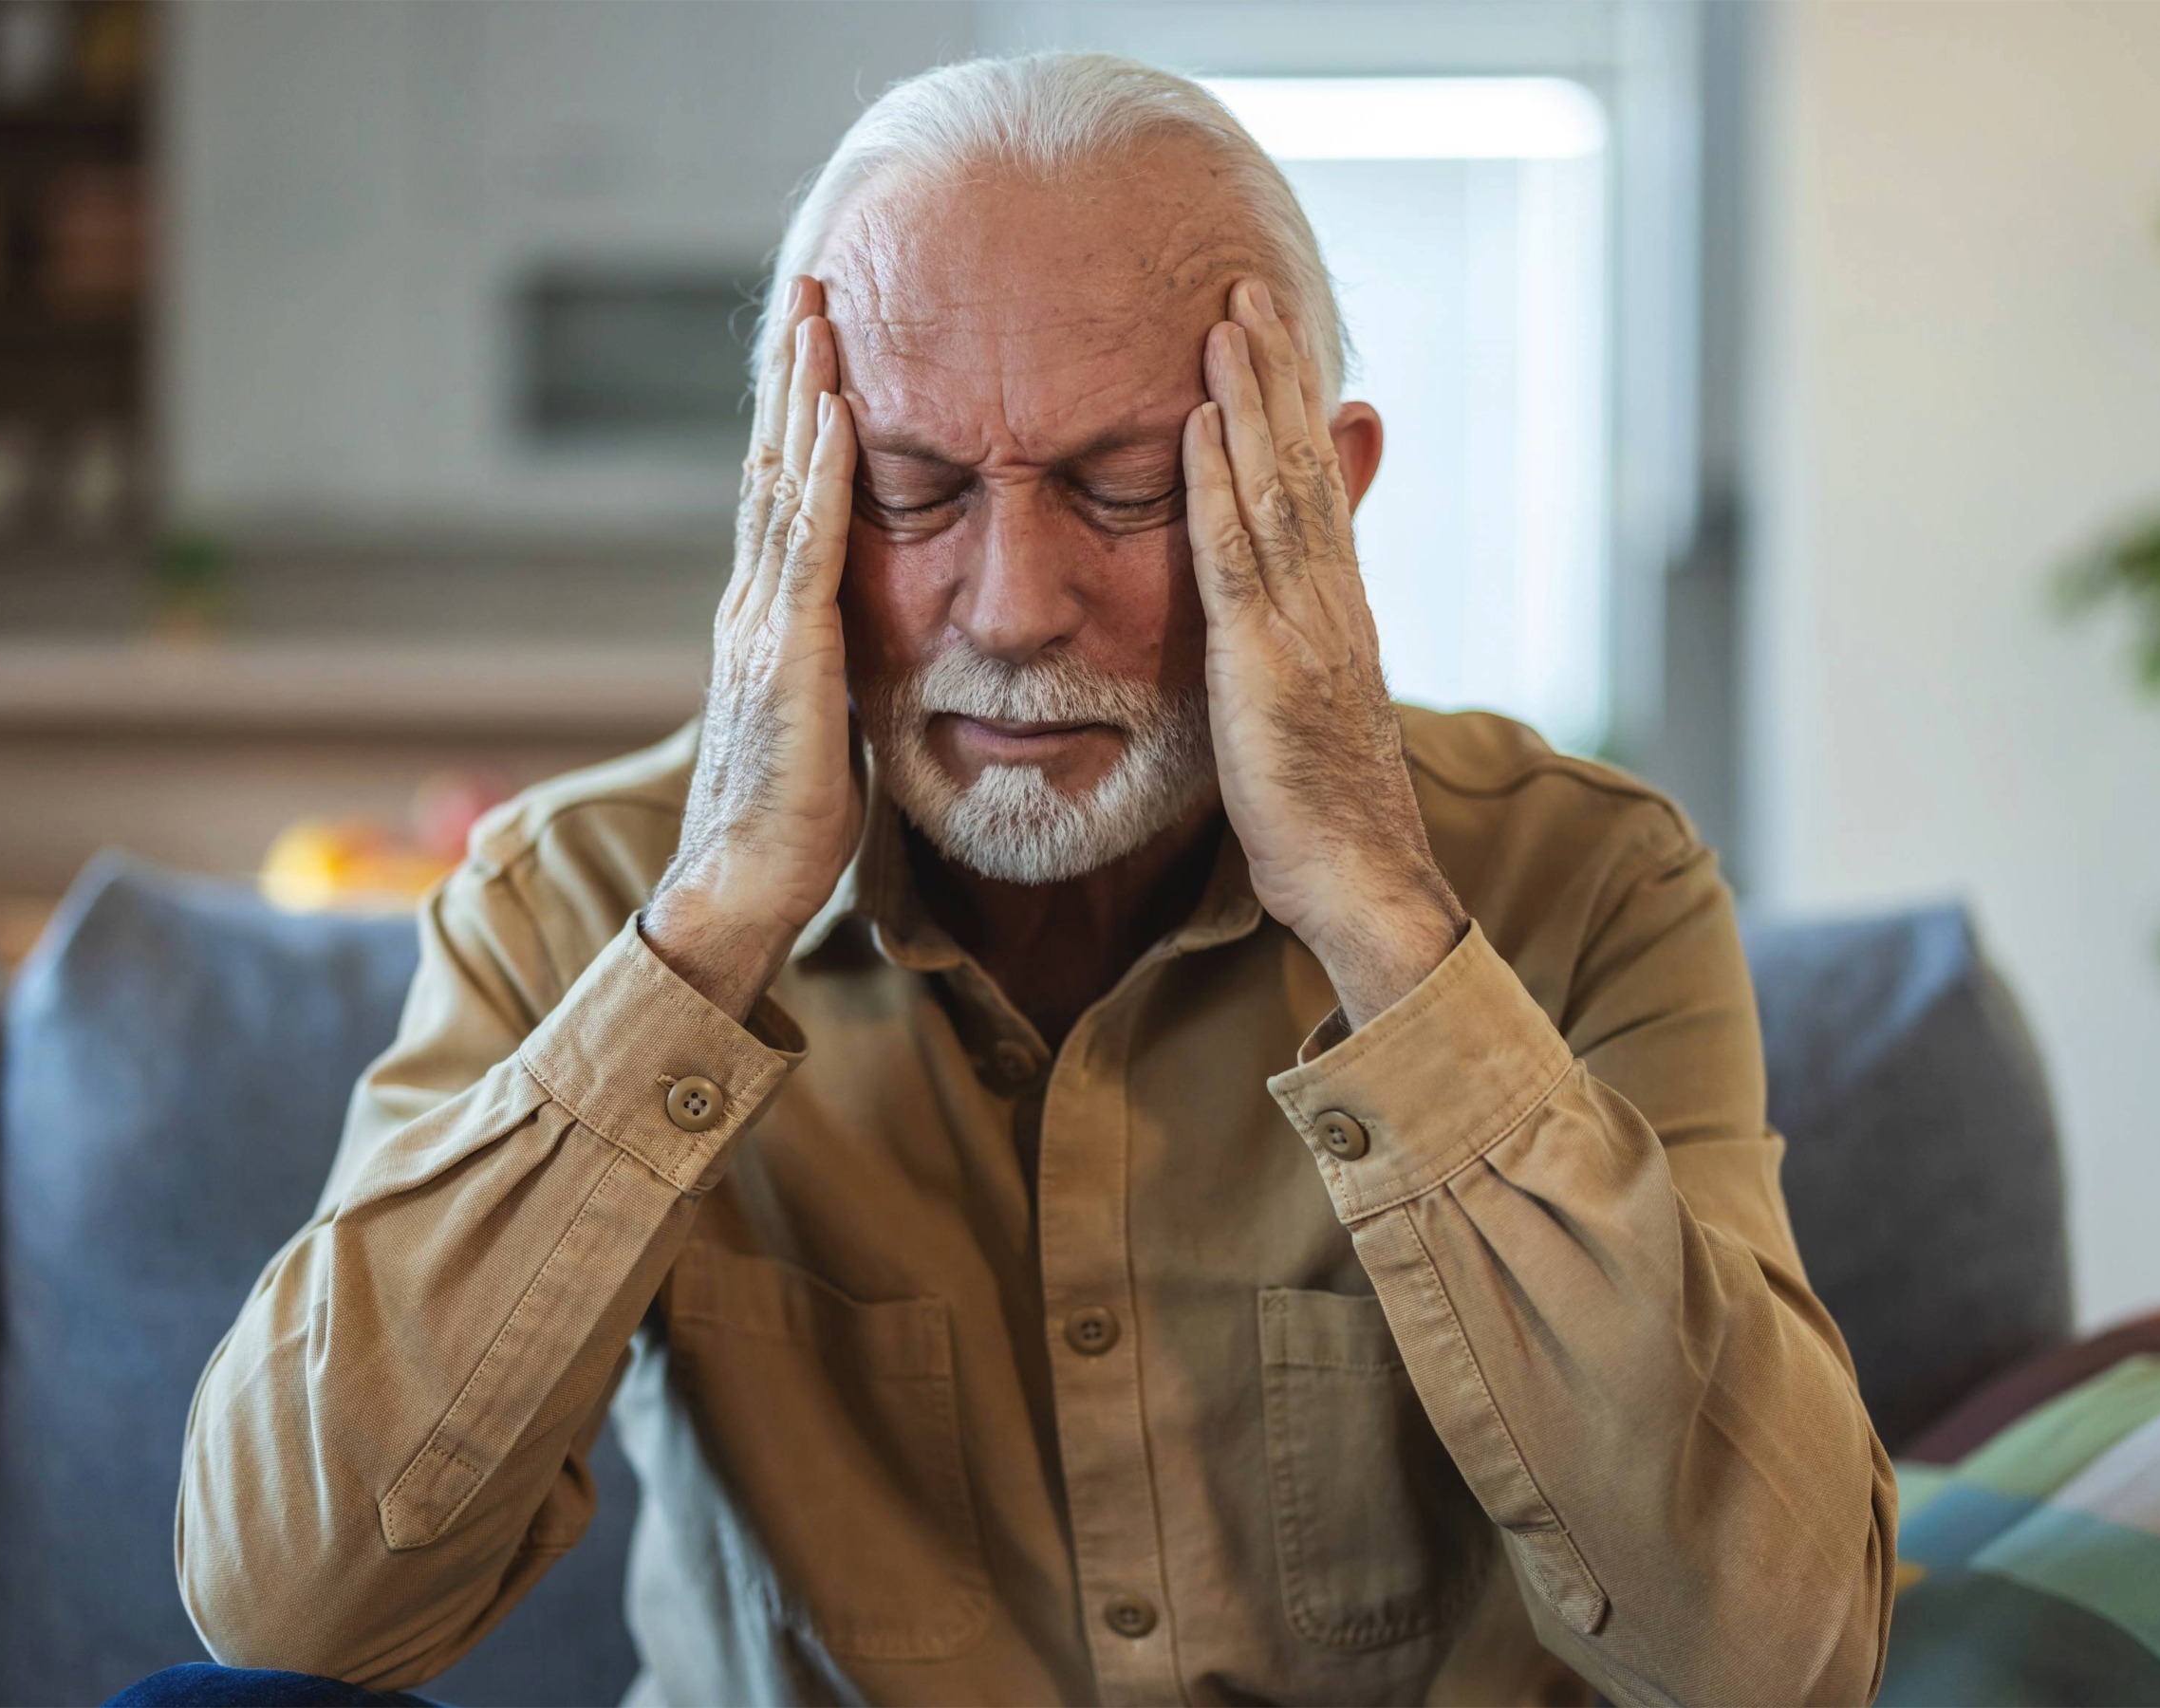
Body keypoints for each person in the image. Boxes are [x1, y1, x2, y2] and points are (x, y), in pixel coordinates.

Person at [160, 50, 1894, 1708]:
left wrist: (1382, 915)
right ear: (788, 503)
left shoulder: (1589, 883)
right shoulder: (578, 896)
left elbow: (1773, 1660)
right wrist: (712, 932)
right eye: (910, 495)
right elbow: (291, 1609)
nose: (1009, 607)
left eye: (1123, 489)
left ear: (1321, 501)